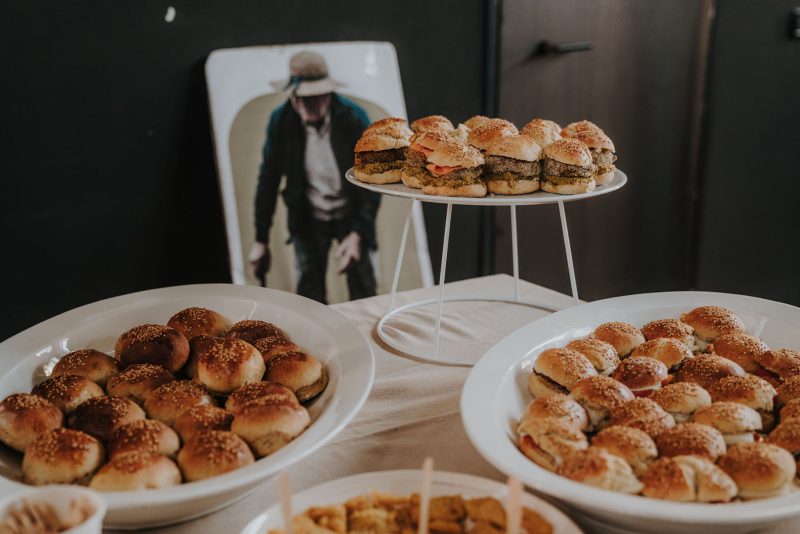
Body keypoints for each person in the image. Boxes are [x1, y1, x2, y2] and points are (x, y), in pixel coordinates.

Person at [250, 51, 380, 304]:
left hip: (352, 214)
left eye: (318, 97)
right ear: (293, 96)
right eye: (304, 99)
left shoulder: (353, 119)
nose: (312, 105)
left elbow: (371, 182)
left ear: (329, 93)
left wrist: (357, 234)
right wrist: (261, 239)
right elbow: (268, 180)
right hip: (308, 216)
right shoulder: (281, 121)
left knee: (364, 291)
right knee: (309, 295)